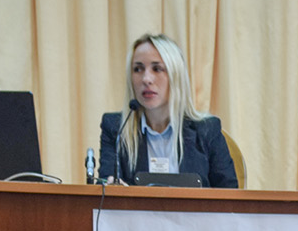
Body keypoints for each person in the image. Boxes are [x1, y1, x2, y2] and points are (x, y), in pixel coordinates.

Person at [98, 33, 237, 188]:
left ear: (176, 75)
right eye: (138, 69)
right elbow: (105, 187)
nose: (146, 79)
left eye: (157, 69)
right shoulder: (116, 129)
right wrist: (114, 188)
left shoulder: (207, 129)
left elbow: (230, 194)